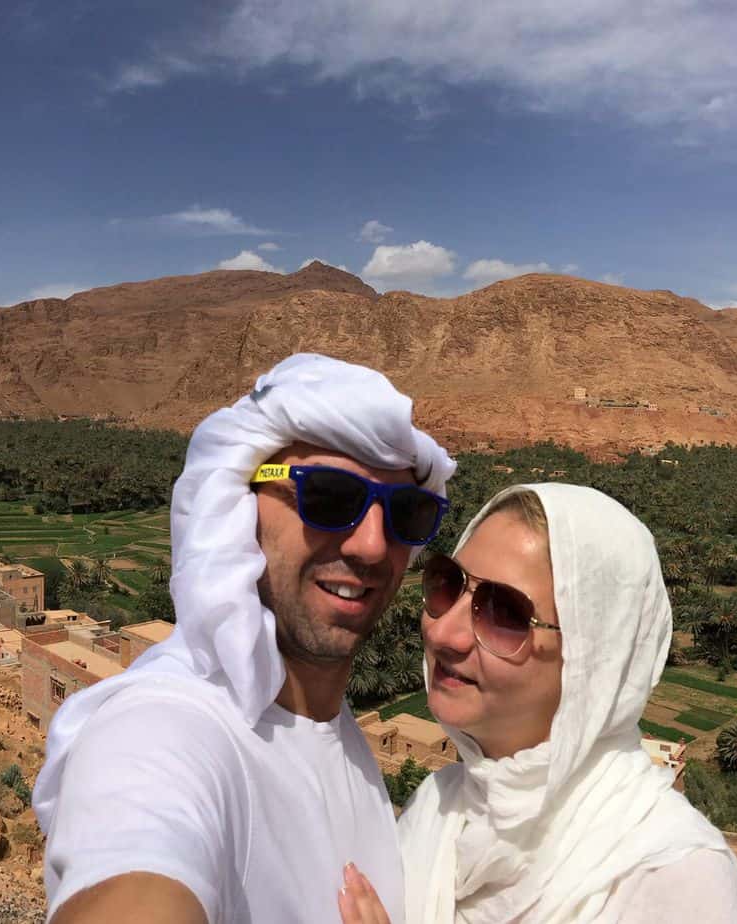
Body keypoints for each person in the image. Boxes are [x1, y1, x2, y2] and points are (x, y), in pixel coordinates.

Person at [33, 353, 456, 923]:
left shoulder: (340, 736)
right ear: (236, 507)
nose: (372, 547)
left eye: (407, 513)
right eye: (329, 499)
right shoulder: (163, 729)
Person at [339, 484, 737, 924]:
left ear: (594, 657)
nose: (443, 634)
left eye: (504, 613)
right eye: (448, 585)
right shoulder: (437, 810)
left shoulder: (678, 882)